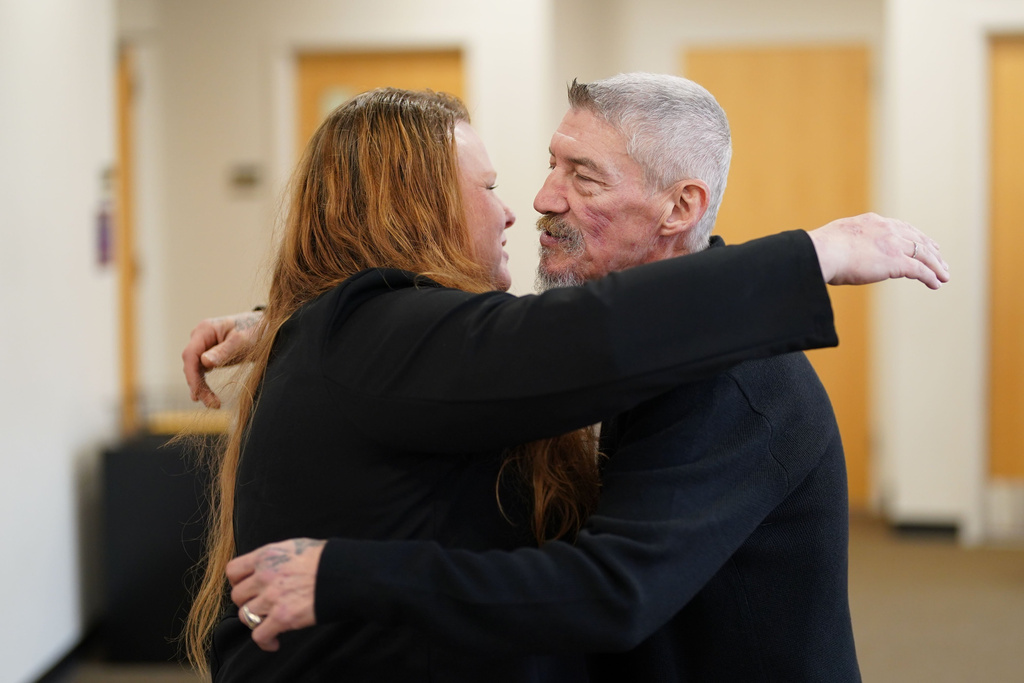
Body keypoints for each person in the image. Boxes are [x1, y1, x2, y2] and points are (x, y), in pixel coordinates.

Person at [184, 84, 946, 681]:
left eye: (580, 175)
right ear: (415, 212)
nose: (534, 202)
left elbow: (609, 583)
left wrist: (808, 256)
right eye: (513, 180)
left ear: (680, 207)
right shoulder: (373, 335)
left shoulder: (730, 375)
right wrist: (812, 256)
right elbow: (549, 341)